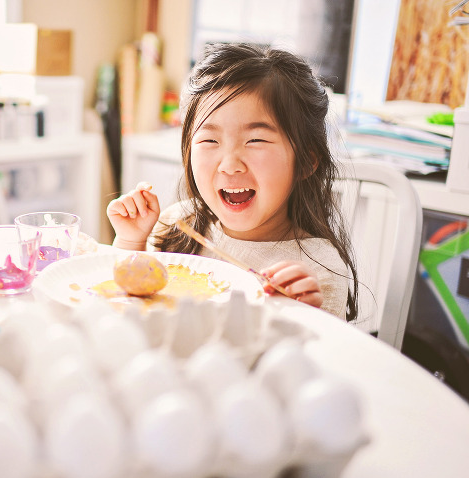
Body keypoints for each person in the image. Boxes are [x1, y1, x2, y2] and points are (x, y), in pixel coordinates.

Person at [107, 43, 358, 321]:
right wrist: (131, 242)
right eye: (209, 140)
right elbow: (125, 310)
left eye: (256, 140)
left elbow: (315, 359)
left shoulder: (318, 268)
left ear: (306, 161)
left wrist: (298, 315)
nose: (229, 165)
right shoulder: (176, 224)